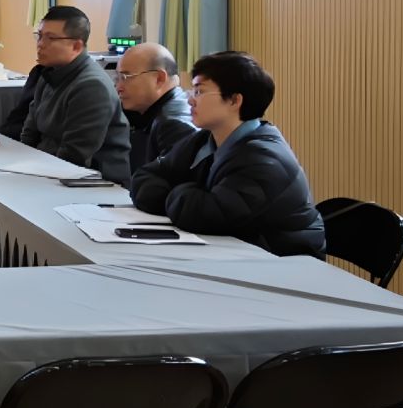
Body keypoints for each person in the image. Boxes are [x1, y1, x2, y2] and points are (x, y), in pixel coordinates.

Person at [130, 50, 326, 257]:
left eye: (199, 91)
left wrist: (176, 192)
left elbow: (206, 216)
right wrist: (183, 195)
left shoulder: (264, 159)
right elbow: (144, 178)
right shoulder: (203, 140)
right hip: (235, 255)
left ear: (234, 100)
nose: (190, 100)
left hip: (282, 263)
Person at [0, 5, 130, 184]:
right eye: (39, 36)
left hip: (94, 182)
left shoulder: (91, 86)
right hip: (51, 170)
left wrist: (30, 175)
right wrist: (20, 165)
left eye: (50, 38)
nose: (40, 44)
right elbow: (29, 133)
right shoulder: (49, 73)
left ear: (76, 46)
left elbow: (74, 155)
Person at [116, 42, 196, 174]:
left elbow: (164, 183)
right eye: (118, 78)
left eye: (125, 77)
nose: (119, 87)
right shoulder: (145, 112)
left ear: (159, 78)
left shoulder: (173, 125)